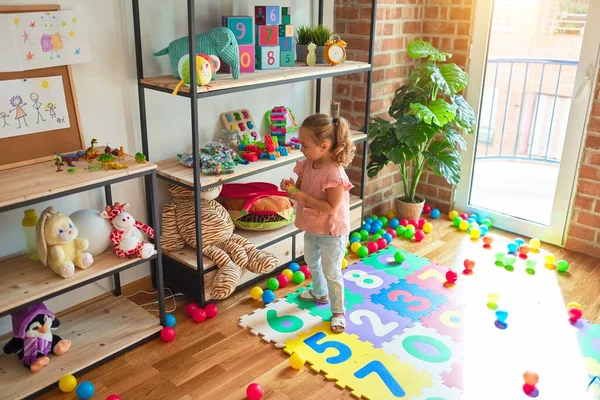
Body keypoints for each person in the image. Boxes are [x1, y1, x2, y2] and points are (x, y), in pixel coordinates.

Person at [281, 113, 356, 333]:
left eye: (304, 145)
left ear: (323, 146)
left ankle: (338, 311)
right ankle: (320, 292)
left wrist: (302, 197)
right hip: (312, 226)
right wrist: (293, 187)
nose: (301, 149)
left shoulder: (335, 174)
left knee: (331, 271)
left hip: (332, 232)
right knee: (311, 262)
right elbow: (304, 189)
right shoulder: (307, 164)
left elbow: (331, 207)